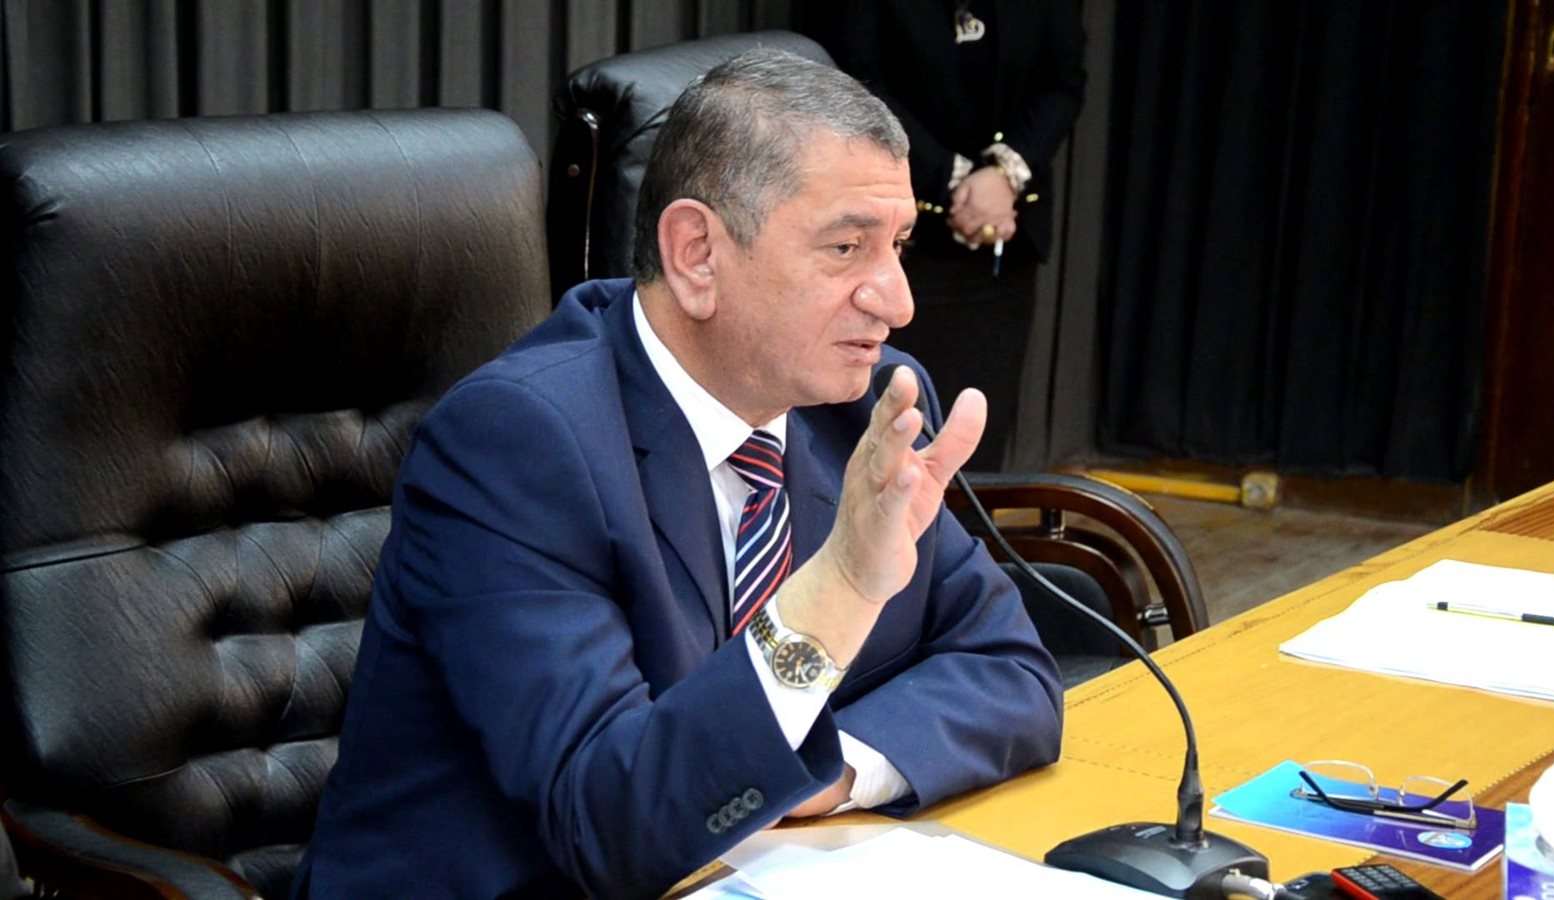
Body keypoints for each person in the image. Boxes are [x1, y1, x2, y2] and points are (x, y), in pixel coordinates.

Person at [294, 48, 1062, 899]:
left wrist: (824, 769)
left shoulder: (860, 406)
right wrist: (841, 589)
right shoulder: (516, 444)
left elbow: (1013, 671)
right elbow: (610, 825)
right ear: (697, 254)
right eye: (847, 247)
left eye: (899, 246)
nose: (898, 300)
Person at [815, 0, 1086, 470]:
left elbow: (1062, 82)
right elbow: (856, 81)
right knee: (880, 437)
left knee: (976, 439)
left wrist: (1004, 175)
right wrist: (952, 180)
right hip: (893, 238)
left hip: (1001, 239)